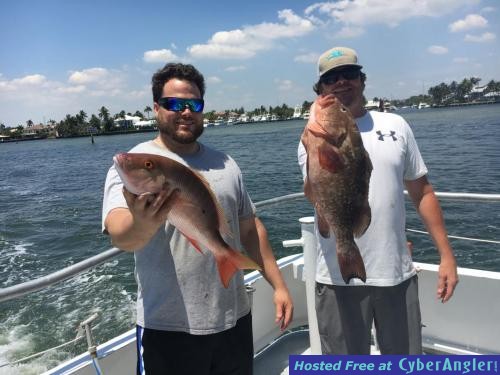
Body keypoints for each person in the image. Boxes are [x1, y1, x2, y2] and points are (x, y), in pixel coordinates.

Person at [102, 62, 293, 375]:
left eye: (194, 104)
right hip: (168, 330)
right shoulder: (133, 166)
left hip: (234, 320)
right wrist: (143, 223)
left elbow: (250, 229)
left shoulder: (226, 163)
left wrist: (280, 286)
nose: (185, 112)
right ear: (155, 108)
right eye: (174, 104)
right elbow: (121, 235)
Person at [297, 47, 458, 355]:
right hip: (335, 277)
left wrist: (446, 255)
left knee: (404, 361)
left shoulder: (397, 125)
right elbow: (315, 192)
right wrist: (315, 137)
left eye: (350, 74)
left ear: (362, 80)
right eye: (331, 79)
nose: (341, 82)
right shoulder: (310, 137)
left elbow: (422, 191)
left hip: (395, 272)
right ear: (321, 90)